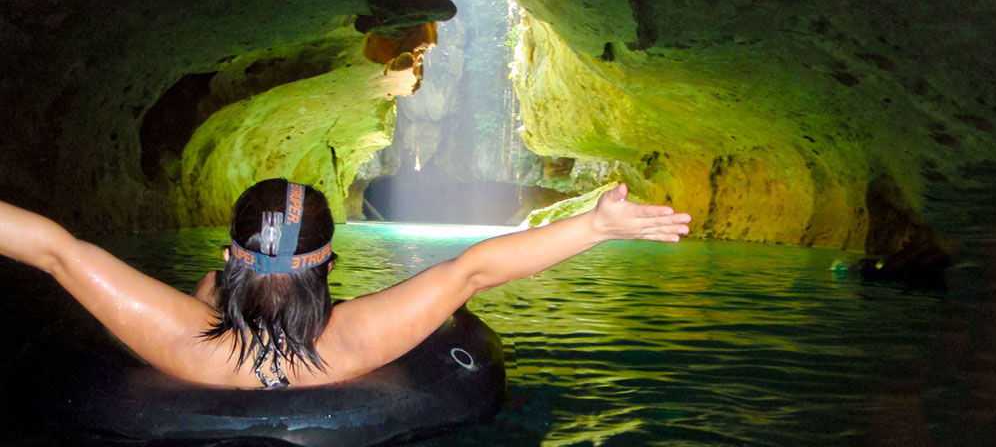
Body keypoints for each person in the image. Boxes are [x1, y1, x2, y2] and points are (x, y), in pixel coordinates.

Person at [0, 179, 690, 388]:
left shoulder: (179, 340)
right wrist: (598, 225)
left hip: (205, 342)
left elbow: (56, 252)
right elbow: (475, 268)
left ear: (232, 254)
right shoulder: (356, 341)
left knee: (202, 290)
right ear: (328, 265)